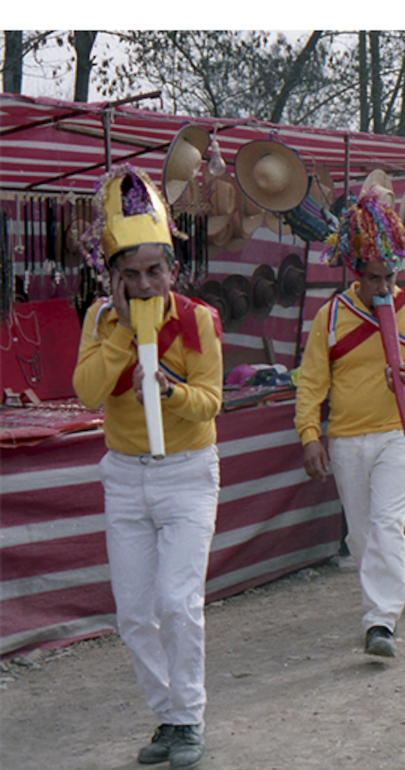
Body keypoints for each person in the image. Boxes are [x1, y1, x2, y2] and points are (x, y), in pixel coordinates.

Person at [73, 165, 223, 770]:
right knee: (133, 612)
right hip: (125, 476)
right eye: (129, 274)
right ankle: (168, 715)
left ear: (173, 270)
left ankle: (189, 718)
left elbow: (212, 401)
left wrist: (169, 392)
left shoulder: (197, 320)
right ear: (112, 276)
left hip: (187, 473)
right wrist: (117, 332)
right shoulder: (98, 320)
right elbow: (86, 393)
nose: (142, 285)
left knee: (177, 601)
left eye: (153, 272)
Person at [295, 190, 405, 657]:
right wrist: (309, 434)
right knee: (360, 534)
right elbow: (311, 382)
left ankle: (381, 622)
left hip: (399, 431)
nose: (384, 287)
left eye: (390, 276)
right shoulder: (331, 316)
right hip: (348, 438)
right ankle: (377, 606)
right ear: (356, 273)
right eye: (375, 278)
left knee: (388, 524)